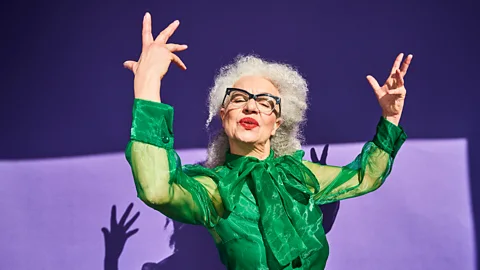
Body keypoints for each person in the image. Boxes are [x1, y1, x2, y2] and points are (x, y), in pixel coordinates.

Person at [123, 12, 411, 270]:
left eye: (264, 102)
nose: (250, 107)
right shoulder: (217, 189)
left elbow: (366, 176)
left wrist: (390, 117)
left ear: (277, 123)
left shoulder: (300, 177)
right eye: (238, 99)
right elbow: (157, 190)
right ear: (224, 116)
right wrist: (148, 83)